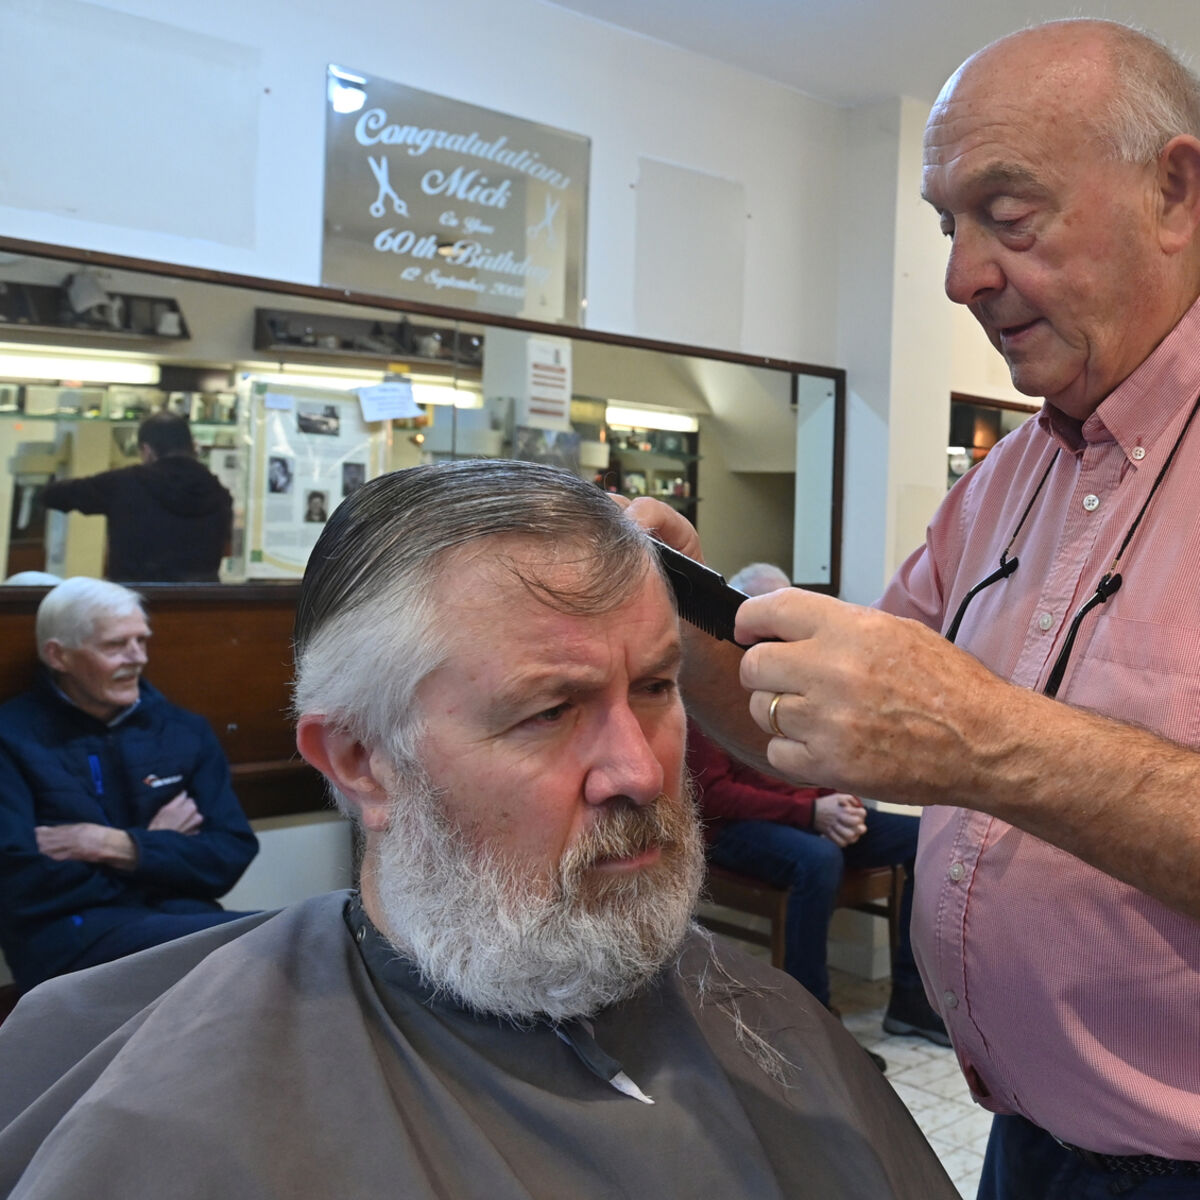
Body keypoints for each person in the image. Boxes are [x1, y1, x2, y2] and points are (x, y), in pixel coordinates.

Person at [0, 461, 956, 1200]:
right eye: (549, 711)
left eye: (656, 687)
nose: (639, 771)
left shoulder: (779, 1029)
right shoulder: (160, 1119)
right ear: (362, 759)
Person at [633, 19, 1200, 1198]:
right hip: (1029, 1144)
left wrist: (985, 740)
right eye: (949, 225)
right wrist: (678, 616)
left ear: (1176, 192)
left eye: (1010, 212)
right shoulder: (1006, 478)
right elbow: (808, 718)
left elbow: (966, 738)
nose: (961, 277)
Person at [694, 563, 944, 1049]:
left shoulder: (795, 678)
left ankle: (911, 1002)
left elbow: (813, 760)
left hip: (805, 812)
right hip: (733, 828)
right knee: (818, 859)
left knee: (923, 839)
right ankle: (814, 1024)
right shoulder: (713, 687)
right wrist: (812, 813)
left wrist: (839, 799)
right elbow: (716, 795)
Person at [0, 577, 258, 994]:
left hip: (181, 919)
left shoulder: (182, 729)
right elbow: (19, 885)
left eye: (141, 640)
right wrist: (158, 851)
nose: (137, 658)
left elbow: (230, 853)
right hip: (69, 939)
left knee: (296, 935)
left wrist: (119, 846)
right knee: (265, 943)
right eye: (115, 645)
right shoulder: (11, 738)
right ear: (58, 655)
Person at [42, 410, 233, 582]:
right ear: (192, 446)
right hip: (199, 601)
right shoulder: (218, 492)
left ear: (147, 450)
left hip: (134, 600)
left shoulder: (125, 482)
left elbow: (54, 495)